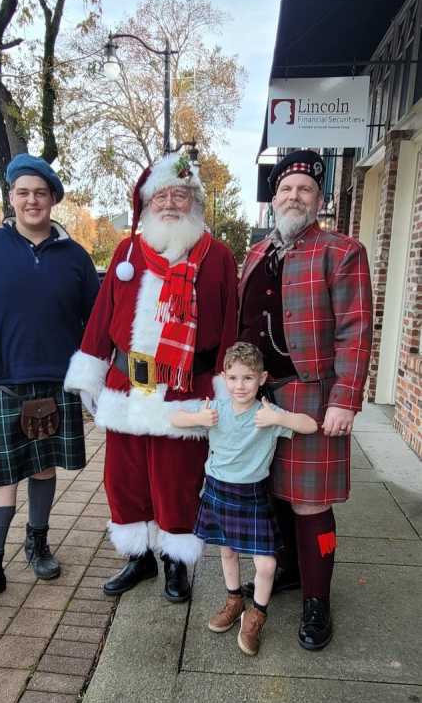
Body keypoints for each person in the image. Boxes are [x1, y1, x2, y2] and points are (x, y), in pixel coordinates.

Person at [64, 152, 238, 603]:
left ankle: (175, 562)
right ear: (146, 204)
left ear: (194, 203)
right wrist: (91, 370)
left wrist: (223, 387)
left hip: (186, 389)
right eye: (161, 195)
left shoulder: (216, 257)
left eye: (180, 195)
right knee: (125, 478)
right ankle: (137, 558)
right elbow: (103, 316)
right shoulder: (126, 252)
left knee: (177, 481)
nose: (170, 203)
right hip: (128, 386)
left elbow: (231, 324)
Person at [0, 154, 100, 617]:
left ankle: (38, 541)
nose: (32, 200)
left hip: (54, 384)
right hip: (2, 383)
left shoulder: (74, 257)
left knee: (43, 468)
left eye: (41, 192)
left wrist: (92, 368)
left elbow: (96, 319)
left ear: (53, 199)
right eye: (23, 192)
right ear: (11, 198)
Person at [239, 149, 373, 650]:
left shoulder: (342, 251)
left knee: (310, 504)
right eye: (286, 188)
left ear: (320, 199)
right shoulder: (256, 253)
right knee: (269, 493)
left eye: (305, 189)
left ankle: (318, 598)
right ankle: (291, 574)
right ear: (274, 197)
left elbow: (356, 331)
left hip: (312, 398)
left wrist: (346, 399)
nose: (294, 196)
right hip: (257, 398)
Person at [170, 342, 317, 656]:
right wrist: (199, 420)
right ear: (224, 378)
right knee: (227, 552)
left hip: (251, 495)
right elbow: (175, 418)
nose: (240, 385)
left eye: (248, 378)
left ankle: (256, 616)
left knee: (266, 564)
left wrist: (280, 421)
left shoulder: (267, 412)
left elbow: (310, 425)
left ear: (262, 378)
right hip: (218, 490)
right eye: (234, 378)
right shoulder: (216, 409)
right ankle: (235, 601)